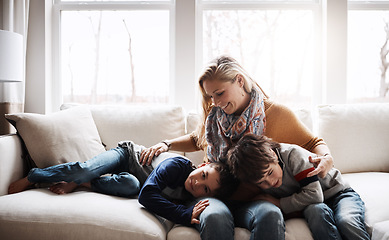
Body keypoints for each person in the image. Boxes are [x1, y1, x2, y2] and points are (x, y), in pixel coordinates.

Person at [140, 55, 335, 240]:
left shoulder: (275, 114)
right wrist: (167, 144)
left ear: (240, 81)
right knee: (215, 217)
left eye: (220, 93)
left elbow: (313, 143)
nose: (215, 102)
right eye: (210, 96)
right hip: (213, 194)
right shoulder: (215, 112)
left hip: (251, 201)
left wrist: (326, 157)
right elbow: (198, 139)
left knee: (270, 214)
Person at [8, 141, 239, 227]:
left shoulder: (192, 197)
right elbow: (148, 196)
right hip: (126, 156)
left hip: (133, 180)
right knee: (85, 169)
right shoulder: (178, 165)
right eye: (203, 175)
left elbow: (142, 192)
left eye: (205, 189)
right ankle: (34, 175)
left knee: (131, 185)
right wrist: (181, 214)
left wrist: (188, 212)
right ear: (201, 165)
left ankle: (85, 184)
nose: (198, 183)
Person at [227, 134, 370, 240]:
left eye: (270, 173)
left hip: (339, 193)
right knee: (316, 212)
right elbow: (315, 202)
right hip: (316, 204)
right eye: (261, 182)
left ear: (272, 154)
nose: (270, 183)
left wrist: (278, 203)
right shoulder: (252, 174)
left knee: (346, 220)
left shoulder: (293, 155)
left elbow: (314, 195)